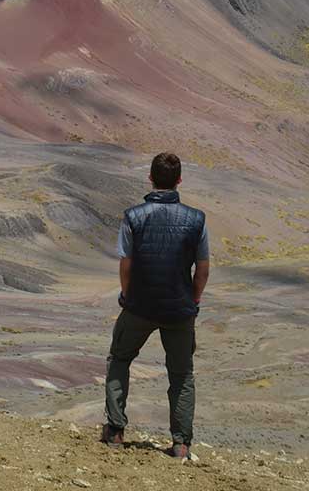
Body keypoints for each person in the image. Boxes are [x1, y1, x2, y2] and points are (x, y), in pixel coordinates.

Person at [101, 152, 210, 460]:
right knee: (181, 374)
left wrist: (127, 296)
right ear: (179, 181)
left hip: (139, 306)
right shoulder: (197, 219)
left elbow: (126, 265)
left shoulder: (134, 216)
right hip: (179, 308)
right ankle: (181, 444)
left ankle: (116, 430)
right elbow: (202, 269)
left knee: (120, 359)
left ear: (150, 178)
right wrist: (195, 299)